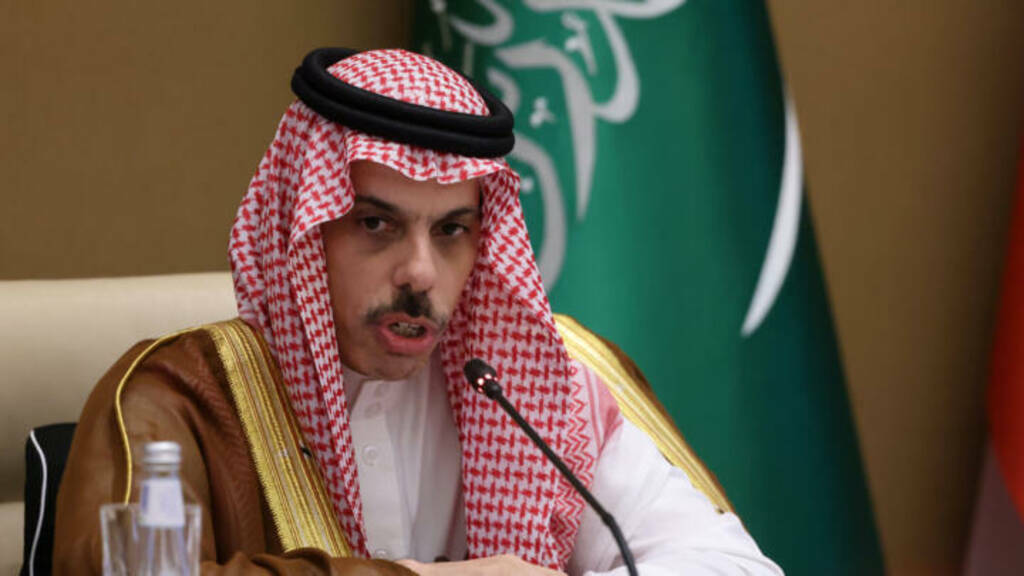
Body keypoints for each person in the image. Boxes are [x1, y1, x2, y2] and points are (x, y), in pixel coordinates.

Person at [53, 48, 783, 575]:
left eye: (452, 230)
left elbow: (727, 564)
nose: (420, 273)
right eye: (377, 224)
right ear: (304, 229)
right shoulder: (178, 399)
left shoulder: (536, 388)